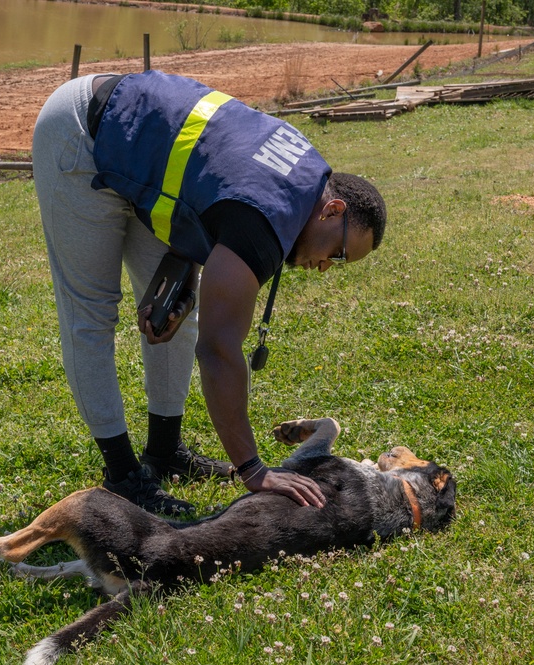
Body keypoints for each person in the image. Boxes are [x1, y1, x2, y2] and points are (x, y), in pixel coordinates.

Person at [32, 70, 386, 515]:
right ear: (333, 210)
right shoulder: (265, 220)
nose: (325, 267)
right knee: (92, 315)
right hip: (83, 130)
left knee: (175, 311)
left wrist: (184, 257)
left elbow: (210, 179)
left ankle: (164, 451)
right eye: (337, 254)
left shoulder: (310, 176)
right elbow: (219, 350)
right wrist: (253, 469)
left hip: (140, 143)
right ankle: (121, 476)